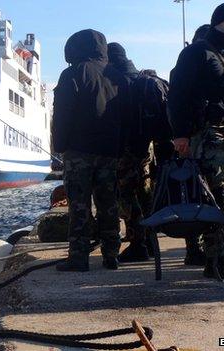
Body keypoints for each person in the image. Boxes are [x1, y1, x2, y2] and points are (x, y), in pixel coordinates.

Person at [168, 2, 224, 280]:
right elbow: (178, 96)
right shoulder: (195, 53)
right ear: (219, 21)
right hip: (206, 134)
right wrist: (180, 134)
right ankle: (214, 259)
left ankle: (221, 254)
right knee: (214, 194)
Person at [52, 29, 130, 271]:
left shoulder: (73, 73)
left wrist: (60, 146)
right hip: (108, 151)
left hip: (79, 150)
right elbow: (125, 116)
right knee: (108, 203)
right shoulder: (116, 76)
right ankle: (111, 255)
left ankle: (79, 257)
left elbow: (63, 114)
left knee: (79, 204)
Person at [106, 42, 153, 262]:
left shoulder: (116, 79)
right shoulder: (137, 76)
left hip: (126, 148)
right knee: (144, 193)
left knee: (126, 195)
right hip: (145, 146)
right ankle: (150, 241)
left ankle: (137, 243)